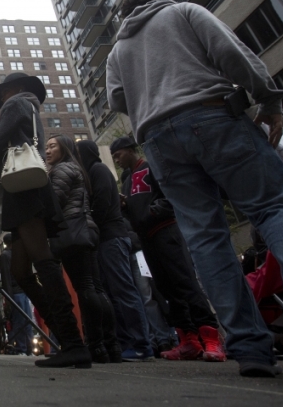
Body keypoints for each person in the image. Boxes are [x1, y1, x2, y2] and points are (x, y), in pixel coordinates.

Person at [106, 0, 283, 376]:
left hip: (158, 141)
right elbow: (232, 53)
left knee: (205, 237)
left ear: (125, 15)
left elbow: (118, 99)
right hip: (213, 115)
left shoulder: (118, 51)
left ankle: (249, 345)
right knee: (276, 205)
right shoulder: (183, 12)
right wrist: (269, 100)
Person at [0, 72, 91, 369]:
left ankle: (73, 342)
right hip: (28, 186)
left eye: (4, 91)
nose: (2, 97)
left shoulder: (15, 104)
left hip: (22, 188)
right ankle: (66, 338)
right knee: (20, 271)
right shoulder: (29, 105)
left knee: (43, 261)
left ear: (16, 88)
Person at [110, 136, 224, 363]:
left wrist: (151, 213)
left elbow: (169, 196)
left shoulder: (152, 168)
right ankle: (187, 339)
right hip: (146, 238)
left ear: (130, 150)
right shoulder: (127, 181)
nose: (117, 159)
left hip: (166, 231)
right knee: (167, 289)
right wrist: (127, 207)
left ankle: (211, 338)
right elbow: (136, 211)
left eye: (118, 154)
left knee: (186, 284)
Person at [45, 135, 119, 363]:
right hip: (87, 231)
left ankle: (97, 346)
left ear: (64, 148)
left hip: (73, 231)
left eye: (52, 146)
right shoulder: (76, 168)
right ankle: (110, 346)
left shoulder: (62, 170)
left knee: (86, 287)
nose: (47, 151)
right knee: (95, 287)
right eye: (46, 147)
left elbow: (54, 202)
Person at [76, 140, 152, 362]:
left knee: (124, 291)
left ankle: (142, 344)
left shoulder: (98, 170)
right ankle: (125, 342)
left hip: (112, 238)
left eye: (78, 154)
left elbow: (100, 205)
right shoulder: (91, 173)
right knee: (112, 295)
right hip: (104, 240)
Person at [0, 233, 34, 355]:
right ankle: (22, 349)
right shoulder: (5, 256)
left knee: (28, 322)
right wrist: (8, 297)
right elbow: (6, 278)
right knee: (19, 322)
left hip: (23, 292)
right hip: (15, 294)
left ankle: (28, 348)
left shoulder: (17, 254)